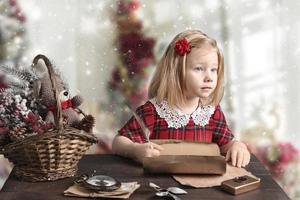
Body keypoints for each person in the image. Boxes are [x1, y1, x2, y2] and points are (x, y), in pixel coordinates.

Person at [112, 30, 250, 168]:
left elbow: (226, 144)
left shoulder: (212, 113)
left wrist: (238, 147)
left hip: (202, 185)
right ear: (176, 71)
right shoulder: (153, 111)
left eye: (214, 69)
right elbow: (118, 142)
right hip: (162, 185)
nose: (209, 77)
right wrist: (135, 150)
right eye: (199, 68)